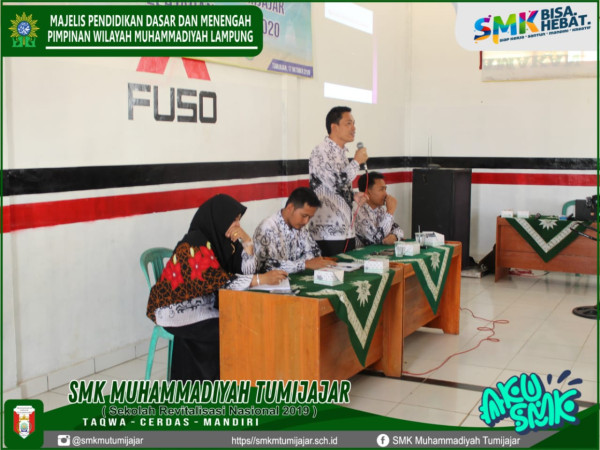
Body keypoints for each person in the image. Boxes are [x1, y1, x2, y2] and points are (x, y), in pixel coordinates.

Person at [146, 194, 287, 381]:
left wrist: (247, 242)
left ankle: (228, 380)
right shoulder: (194, 243)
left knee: (242, 320)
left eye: (239, 219)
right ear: (219, 218)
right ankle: (221, 382)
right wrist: (260, 279)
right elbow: (219, 281)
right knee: (233, 327)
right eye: (233, 220)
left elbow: (246, 271)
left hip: (204, 304)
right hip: (176, 309)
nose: (237, 225)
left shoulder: (223, 242)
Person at [308, 106, 368, 256]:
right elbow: (335, 183)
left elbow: (334, 188)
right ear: (334, 127)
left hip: (347, 231)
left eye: (354, 123)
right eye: (348, 123)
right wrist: (356, 162)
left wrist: (353, 196)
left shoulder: (341, 154)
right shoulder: (320, 152)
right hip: (327, 233)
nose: (354, 128)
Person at [254, 187, 333, 274]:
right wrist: (303, 264)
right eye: (304, 216)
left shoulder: (300, 226)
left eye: (310, 217)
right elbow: (266, 266)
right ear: (290, 208)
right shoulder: (267, 228)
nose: (306, 221)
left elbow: (315, 254)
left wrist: (300, 264)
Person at [355, 172, 404, 247]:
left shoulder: (380, 209)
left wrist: (395, 236)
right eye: (381, 189)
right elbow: (376, 240)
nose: (386, 194)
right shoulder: (358, 210)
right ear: (368, 192)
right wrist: (390, 212)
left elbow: (398, 229)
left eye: (385, 189)